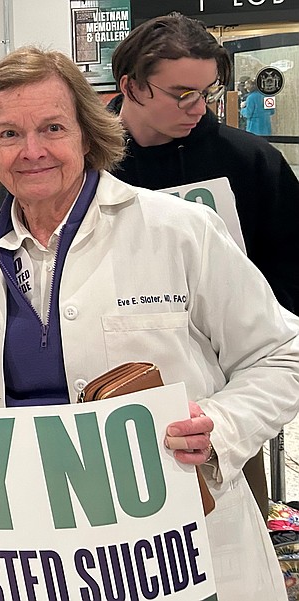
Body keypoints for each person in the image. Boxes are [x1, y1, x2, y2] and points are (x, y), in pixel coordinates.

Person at [0, 47, 299, 601]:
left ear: (87, 132)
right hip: (39, 554)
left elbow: (282, 353)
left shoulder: (179, 232)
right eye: (8, 134)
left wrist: (221, 426)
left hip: (174, 550)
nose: (32, 151)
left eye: (52, 127)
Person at [107, 12, 299, 515]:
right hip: (103, 392)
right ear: (131, 85)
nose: (199, 107)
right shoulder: (81, 162)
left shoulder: (249, 161)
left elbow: (289, 268)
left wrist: (255, 375)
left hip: (221, 401)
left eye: (208, 92)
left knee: (236, 544)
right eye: (181, 93)